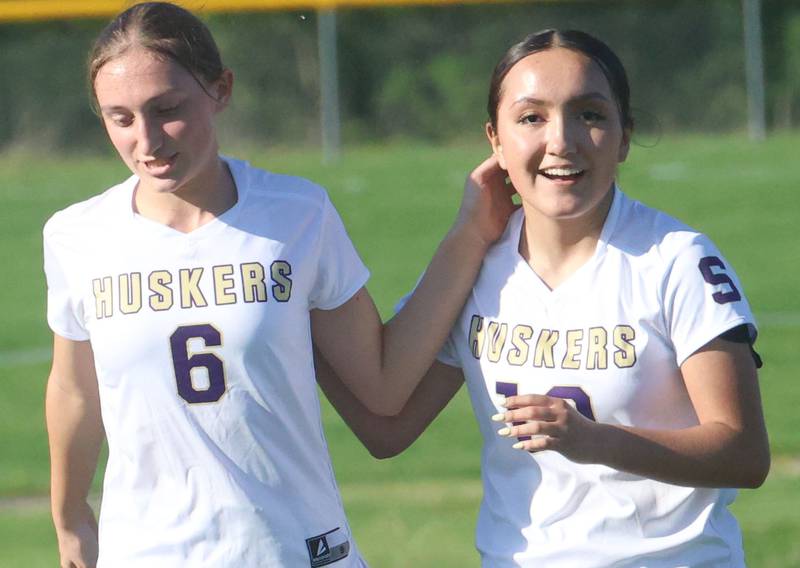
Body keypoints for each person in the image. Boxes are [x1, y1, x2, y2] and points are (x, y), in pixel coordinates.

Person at [43, 3, 515, 567]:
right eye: (119, 118)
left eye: (166, 109)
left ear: (221, 90)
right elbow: (75, 390)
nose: (146, 140)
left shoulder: (296, 215)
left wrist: (469, 237)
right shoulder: (77, 236)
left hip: (295, 551)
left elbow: (383, 387)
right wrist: (69, 517)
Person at [316, 29, 770, 567]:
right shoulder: (477, 268)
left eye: (591, 115)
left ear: (625, 137)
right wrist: (287, 316)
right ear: (495, 140)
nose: (562, 140)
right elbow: (386, 429)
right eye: (531, 117)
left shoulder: (675, 259)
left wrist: (595, 441)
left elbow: (743, 454)